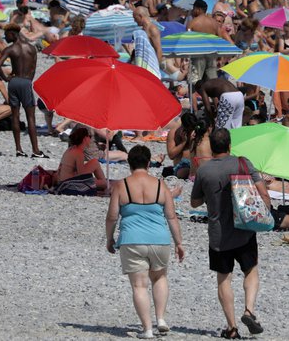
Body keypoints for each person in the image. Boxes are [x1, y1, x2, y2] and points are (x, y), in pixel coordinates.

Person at [191, 128, 270, 339]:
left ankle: (232, 328)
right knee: (251, 270)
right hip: (244, 229)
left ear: (212, 147)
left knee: (223, 279)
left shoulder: (204, 171)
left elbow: (194, 202)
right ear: (229, 145)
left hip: (218, 235)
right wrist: (267, 213)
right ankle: (249, 310)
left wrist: (211, 194)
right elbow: (262, 192)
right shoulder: (243, 163)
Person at [105, 145, 184, 339]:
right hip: (159, 239)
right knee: (160, 278)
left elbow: (112, 216)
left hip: (132, 240)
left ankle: (147, 329)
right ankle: (161, 319)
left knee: (139, 286)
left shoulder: (121, 186)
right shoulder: (160, 185)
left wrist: (109, 238)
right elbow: (172, 217)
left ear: (129, 164)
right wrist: (179, 243)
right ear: (149, 163)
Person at [0, 24, 47, 158]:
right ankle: (36, 150)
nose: (5, 37)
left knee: (15, 116)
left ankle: (19, 149)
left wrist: (6, 78)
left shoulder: (10, 49)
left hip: (14, 82)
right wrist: (28, 80)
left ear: (13, 34)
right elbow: (33, 68)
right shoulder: (31, 48)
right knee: (31, 117)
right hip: (26, 82)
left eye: (7, 34)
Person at [57, 127, 107, 193]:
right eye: (90, 136)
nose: (91, 139)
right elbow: (81, 176)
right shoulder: (79, 153)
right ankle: (105, 184)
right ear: (84, 139)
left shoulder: (71, 149)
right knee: (104, 183)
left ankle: (103, 182)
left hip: (63, 180)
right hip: (70, 183)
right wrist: (92, 180)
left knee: (94, 162)